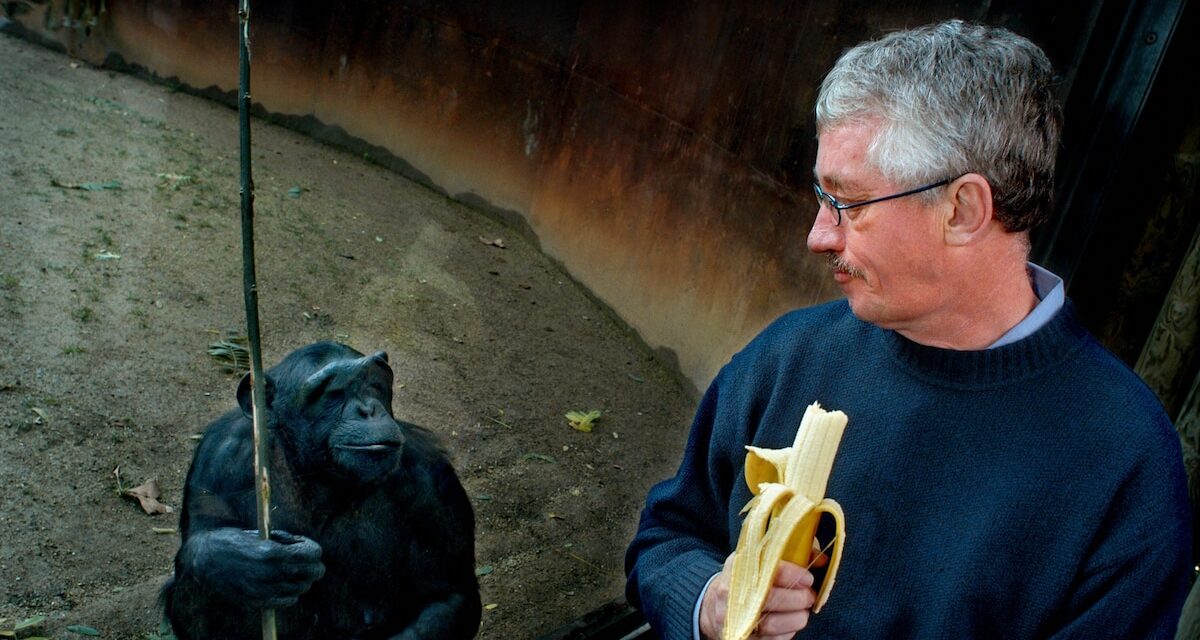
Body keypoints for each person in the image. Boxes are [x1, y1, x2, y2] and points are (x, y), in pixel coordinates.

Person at [625, 19, 1193, 640]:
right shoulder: (789, 354)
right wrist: (706, 601)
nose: (818, 236)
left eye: (849, 203)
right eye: (821, 195)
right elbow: (667, 537)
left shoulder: (1125, 465)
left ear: (963, 209)